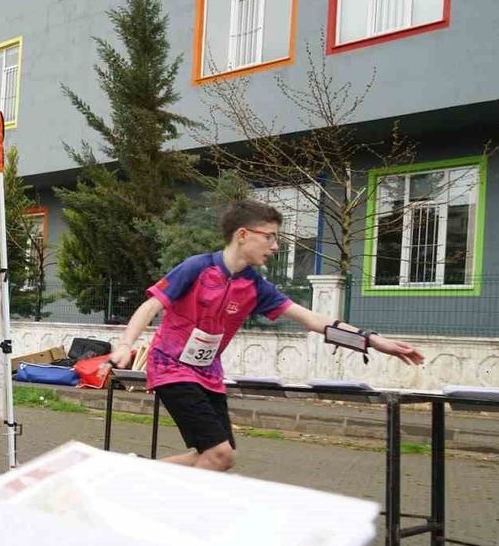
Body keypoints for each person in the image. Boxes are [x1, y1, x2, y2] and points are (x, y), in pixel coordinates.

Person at [105, 200, 424, 472]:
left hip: (208, 374)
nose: (275, 246)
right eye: (269, 237)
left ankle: (134, 472)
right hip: (171, 368)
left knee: (218, 456)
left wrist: (372, 341)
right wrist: (124, 345)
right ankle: (174, 512)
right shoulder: (196, 268)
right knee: (219, 453)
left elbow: (312, 320)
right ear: (242, 235)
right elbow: (151, 306)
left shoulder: (254, 286)